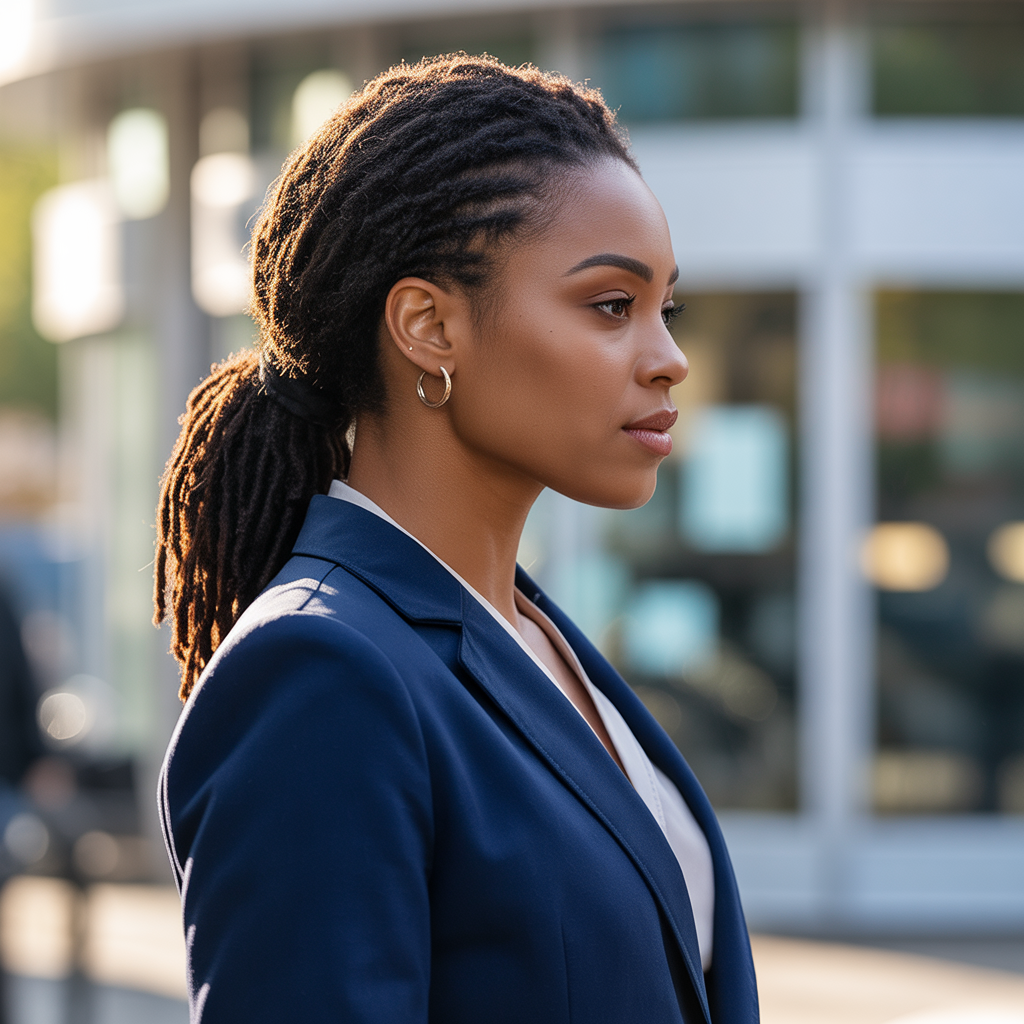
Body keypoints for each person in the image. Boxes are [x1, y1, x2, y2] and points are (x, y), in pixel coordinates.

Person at [155, 55, 758, 1023]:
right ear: (429, 326)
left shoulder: (532, 637)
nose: (670, 358)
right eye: (612, 305)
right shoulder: (321, 674)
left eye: (665, 308)